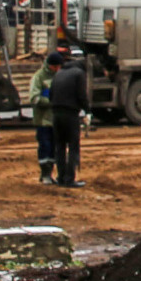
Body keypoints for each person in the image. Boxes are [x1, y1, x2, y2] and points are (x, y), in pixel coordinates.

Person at [48, 47, 89, 188]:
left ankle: (61, 178)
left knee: (59, 147)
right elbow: (82, 95)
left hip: (56, 114)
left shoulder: (58, 74)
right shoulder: (79, 73)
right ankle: (70, 179)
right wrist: (88, 110)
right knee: (73, 147)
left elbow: (51, 95)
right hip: (70, 115)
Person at [28, 47, 63, 183]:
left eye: (59, 66)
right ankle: (45, 174)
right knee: (45, 146)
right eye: (55, 66)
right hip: (43, 121)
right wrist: (51, 102)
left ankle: (51, 173)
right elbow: (34, 98)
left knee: (54, 147)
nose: (57, 69)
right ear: (49, 65)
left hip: (55, 120)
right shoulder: (39, 77)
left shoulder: (59, 75)